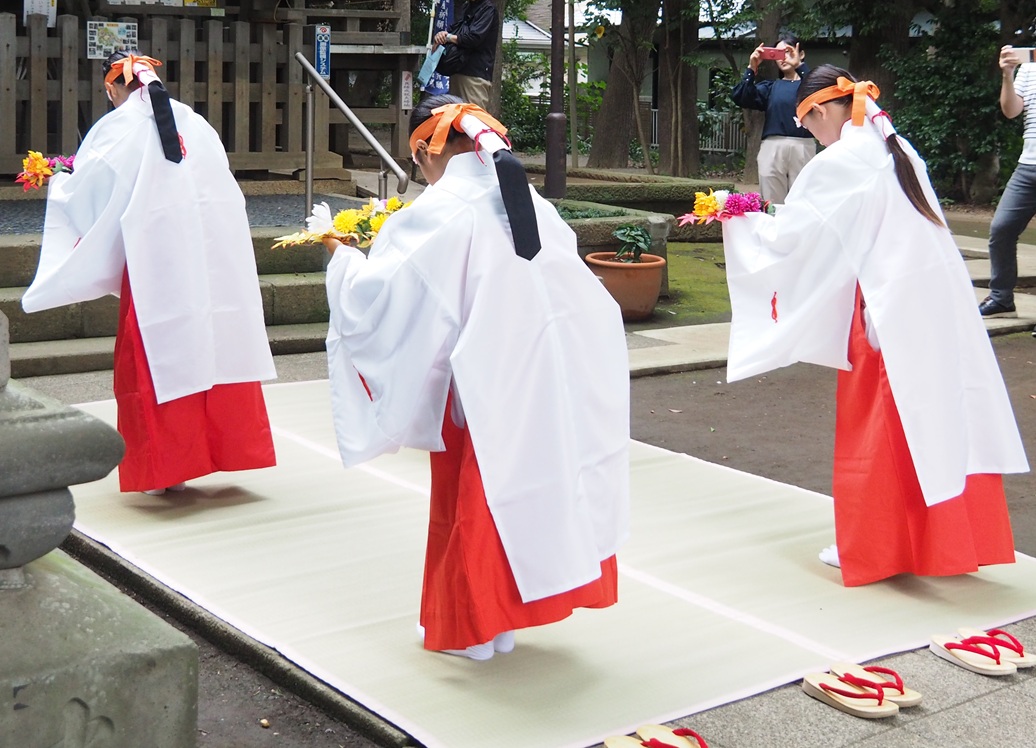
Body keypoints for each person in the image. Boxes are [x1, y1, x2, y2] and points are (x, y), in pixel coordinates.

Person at [322, 95, 629, 660]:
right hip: (547, 375)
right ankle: (503, 620)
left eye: (417, 161)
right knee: (525, 493)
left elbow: (382, 297)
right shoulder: (532, 203)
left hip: (480, 381)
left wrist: (342, 262)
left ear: (428, 149)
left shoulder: (442, 210)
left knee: (473, 498)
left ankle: (471, 627)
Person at [720, 65, 1028, 587]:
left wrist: (738, 218)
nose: (810, 136)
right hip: (936, 303)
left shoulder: (840, 160)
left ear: (818, 110)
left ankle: (877, 545)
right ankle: (951, 539)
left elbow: (795, 237)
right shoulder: (897, 147)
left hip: (885, 307)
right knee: (942, 417)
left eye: (807, 124)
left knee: (881, 425)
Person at [22, 51, 277, 494]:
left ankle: (167, 469)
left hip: (154, 260)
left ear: (113, 88)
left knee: (157, 358)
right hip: (211, 256)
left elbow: (88, 189)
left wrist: (60, 182)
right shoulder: (195, 122)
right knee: (217, 347)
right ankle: (224, 450)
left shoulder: (118, 127)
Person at [978, 43, 1036, 320]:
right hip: (1028, 166)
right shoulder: (1029, 66)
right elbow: (1011, 110)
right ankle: (1001, 298)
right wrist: (1007, 74)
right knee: (1001, 229)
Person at [732, 33, 816, 203]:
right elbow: (741, 97)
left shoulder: (811, 84)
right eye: (777, 53)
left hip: (803, 146)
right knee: (771, 202)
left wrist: (799, 66)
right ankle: (772, 228)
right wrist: (751, 68)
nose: (783, 58)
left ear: (801, 53)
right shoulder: (771, 87)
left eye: (788, 51)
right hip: (772, 147)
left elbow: (822, 91)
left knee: (803, 201)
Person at [431, 0, 499, 109]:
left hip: (474, 77)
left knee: (473, 123)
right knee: (458, 125)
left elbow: (473, 38)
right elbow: (455, 31)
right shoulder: (467, 6)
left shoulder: (488, 10)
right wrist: (443, 35)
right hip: (458, 72)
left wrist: (448, 37)